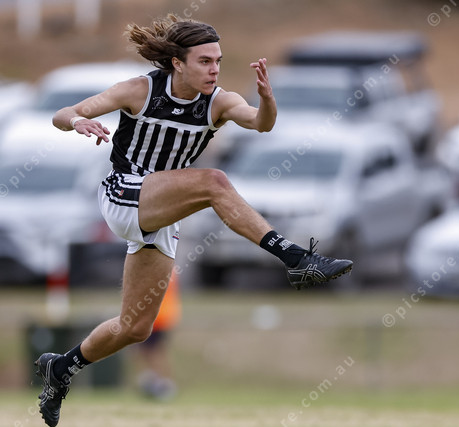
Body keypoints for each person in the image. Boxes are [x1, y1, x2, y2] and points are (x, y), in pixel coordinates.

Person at [34, 14, 352, 427]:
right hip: (123, 193)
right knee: (214, 182)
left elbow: (261, 124)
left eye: (218, 61)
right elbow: (64, 113)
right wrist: (78, 121)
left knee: (135, 327)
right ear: (177, 63)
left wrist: (267, 99)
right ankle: (295, 258)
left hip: (161, 212)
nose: (214, 69)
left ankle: (61, 368)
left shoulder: (219, 101)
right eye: (204, 61)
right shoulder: (140, 89)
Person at [134, 269, 180, 400]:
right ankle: (156, 381)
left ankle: (163, 384)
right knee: (150, 351)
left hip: (157, 317)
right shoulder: (166, 267)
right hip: (158, 316)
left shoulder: (161, 268)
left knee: (155, 351)